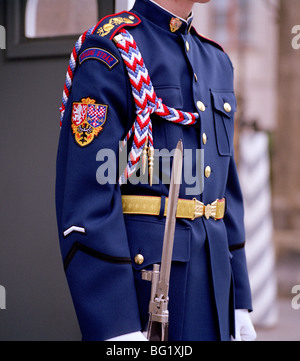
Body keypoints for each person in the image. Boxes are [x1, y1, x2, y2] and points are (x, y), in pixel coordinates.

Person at [56, 0, 257, 341]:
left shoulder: (217, 61)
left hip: (216, 294)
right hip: (147, 297)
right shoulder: (110, 49)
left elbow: (225, 195)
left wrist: (239, 301)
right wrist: (115, 327)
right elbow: (87, 200)